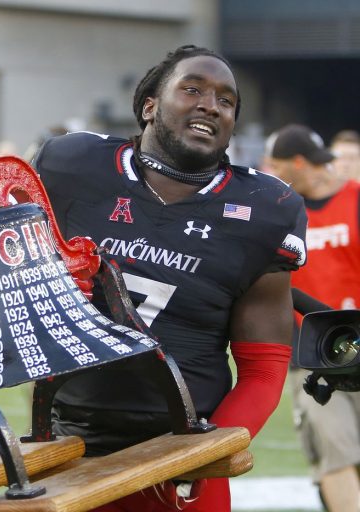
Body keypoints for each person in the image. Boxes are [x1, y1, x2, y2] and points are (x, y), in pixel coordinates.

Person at [33, 45, 307, 511]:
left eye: (226, 100)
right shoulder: (74, 165)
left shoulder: (265, 208)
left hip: (184, 449)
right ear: (149, 106)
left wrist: (206, 452)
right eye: (193, 88)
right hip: (71, 442)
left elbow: (263, 368)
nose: (210, 104)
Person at [266, 123, 360, 512]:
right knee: (334, 455)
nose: (272, 175)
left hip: (357, 340)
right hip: (312, 353)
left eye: (277, 166)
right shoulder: (282, 211)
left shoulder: (355, 199)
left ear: (299, 163)